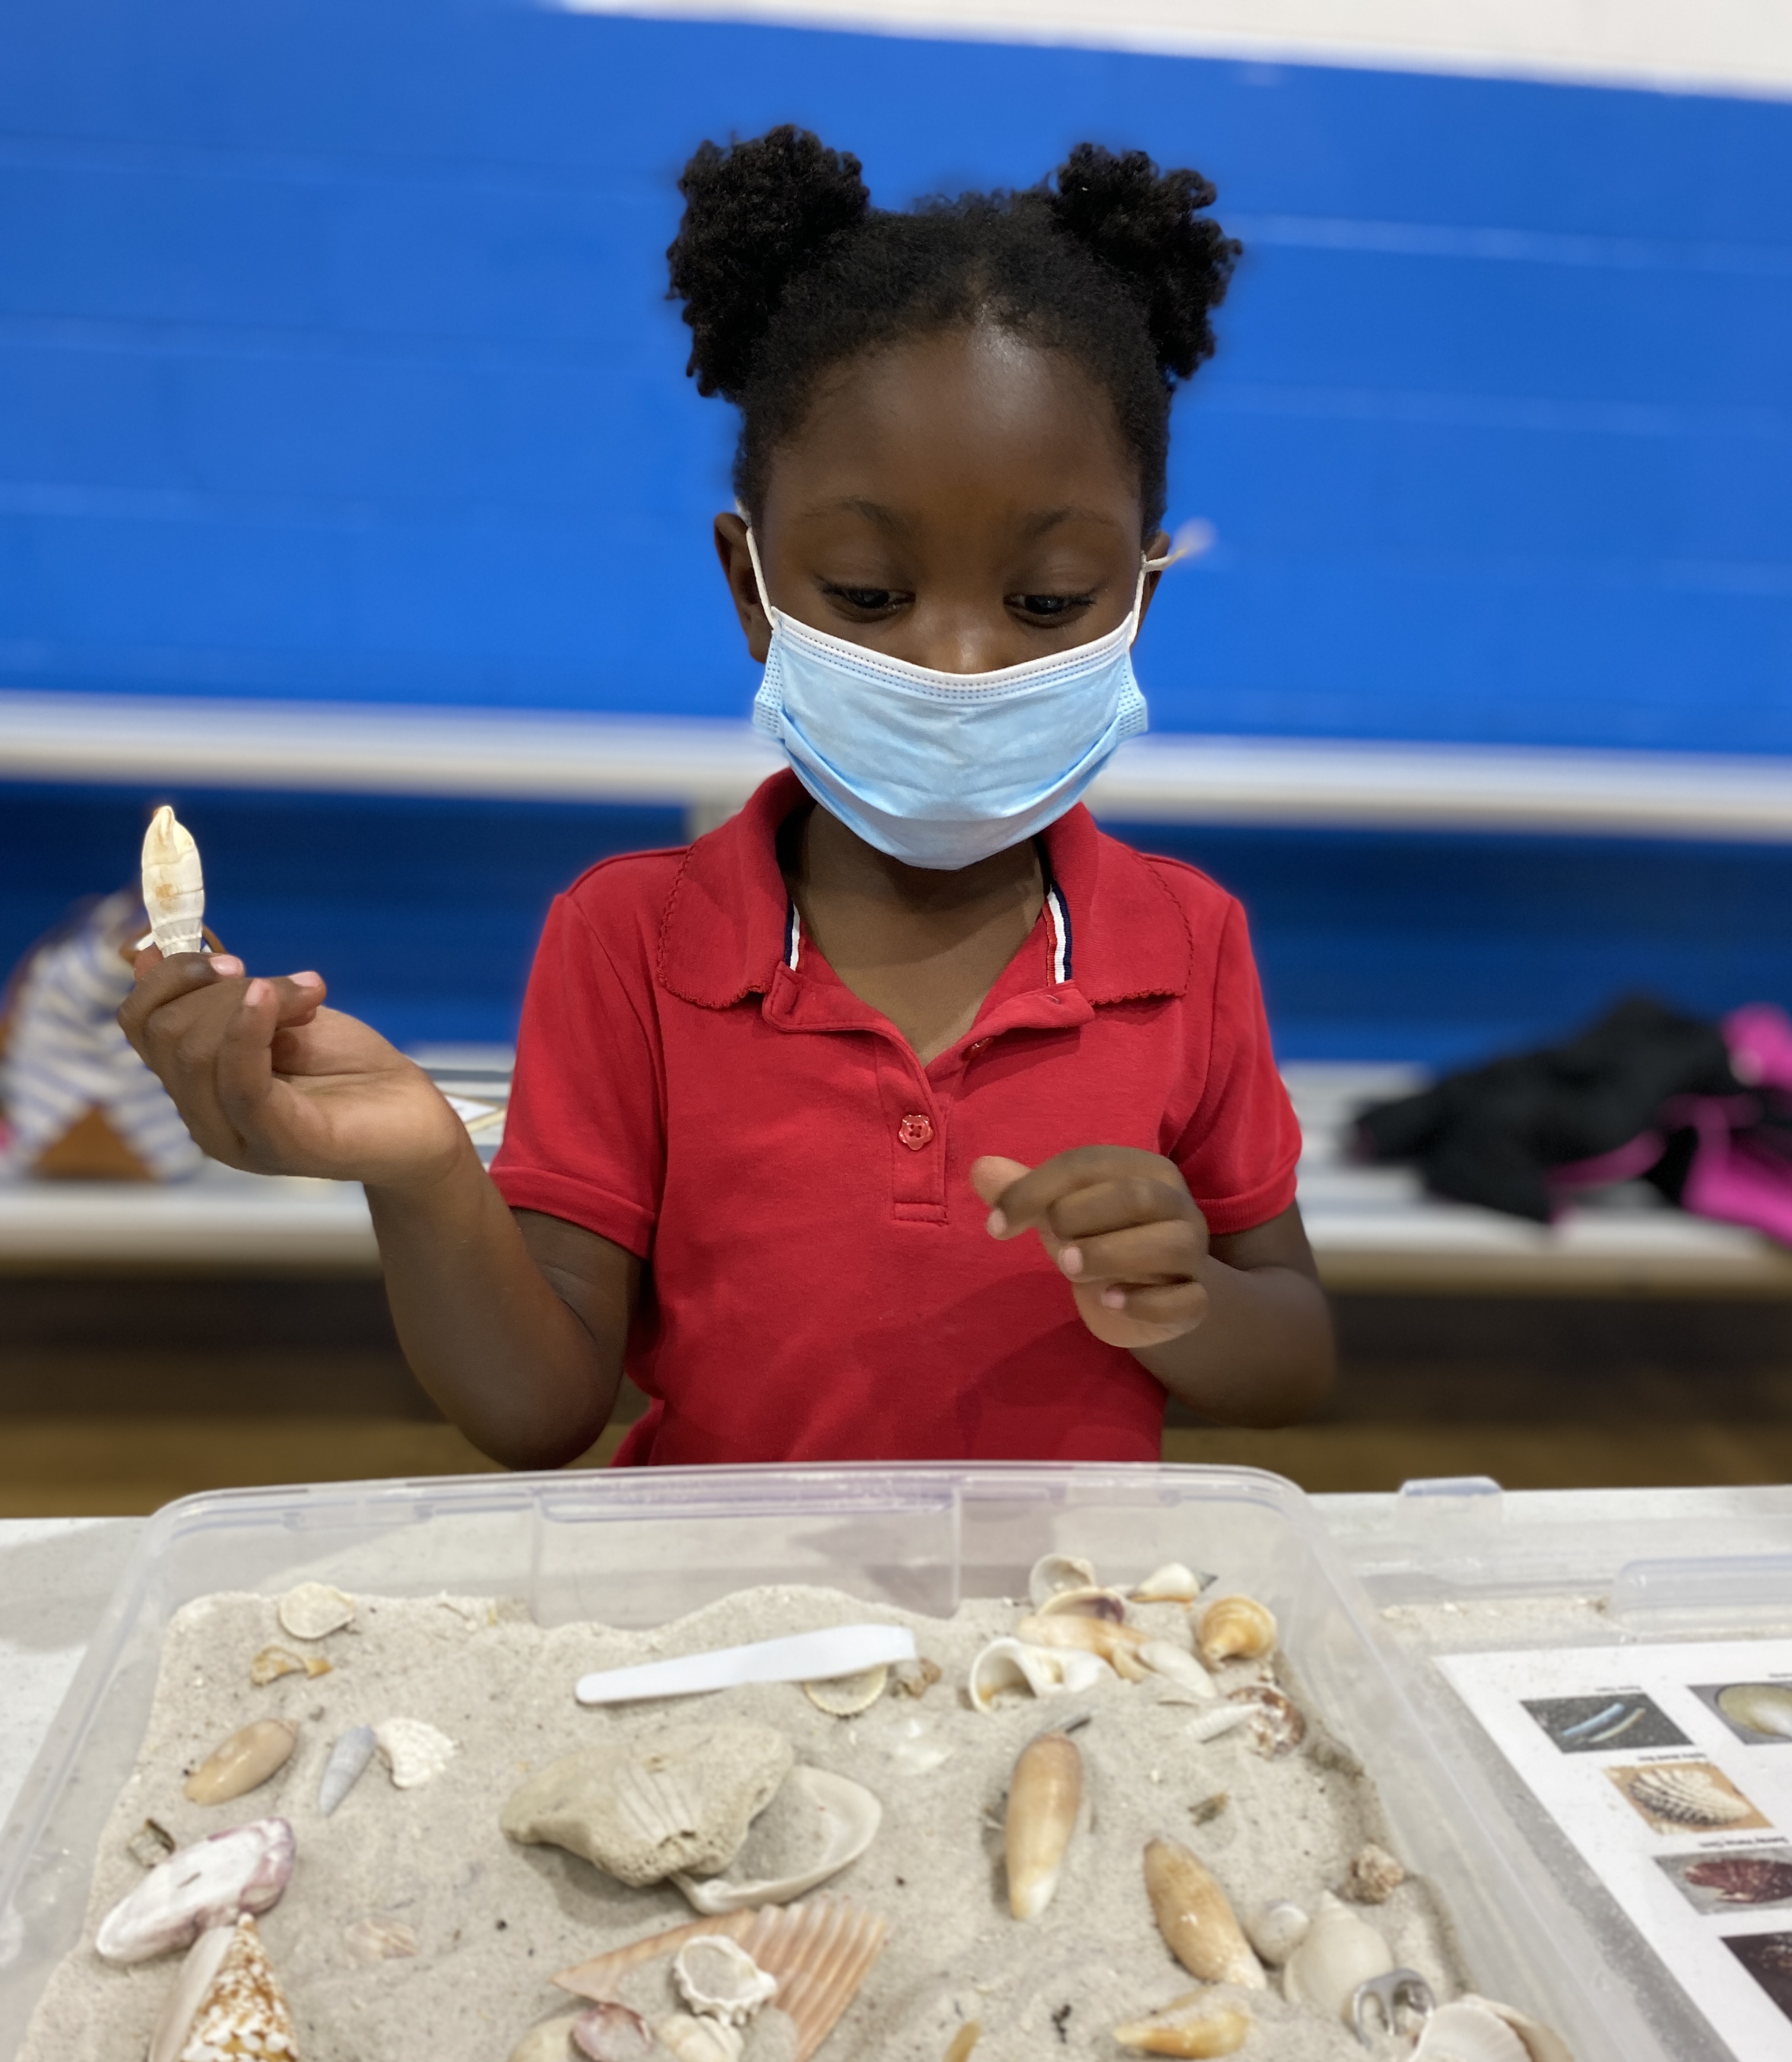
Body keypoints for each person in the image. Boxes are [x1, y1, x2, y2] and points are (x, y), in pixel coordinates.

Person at [122, 128, 1334, 1468]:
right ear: (751, 591)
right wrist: (423, 1171)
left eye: (1047, 603)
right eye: (868, 594)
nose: (956, 662)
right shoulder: (630, 941)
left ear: (1141, 600)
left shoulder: (1185, 944)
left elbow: (1291, 1360)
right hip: (717, 1593)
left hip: (1067, 1596)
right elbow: (539, 1411)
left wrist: (1185, 1298)